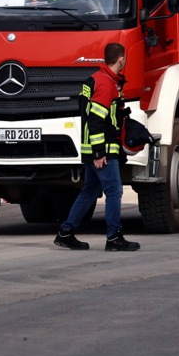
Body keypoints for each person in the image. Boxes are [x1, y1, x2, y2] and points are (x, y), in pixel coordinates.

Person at [54, 42, 140, 251]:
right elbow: (96, 119)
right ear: (121, 59)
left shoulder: (95, 79)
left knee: (90, 191)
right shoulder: (106, 83)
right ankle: (114, 238)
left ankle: (65, 233)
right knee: (114, 191)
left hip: (91, 148)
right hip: (102, 151)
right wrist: (99, 151)